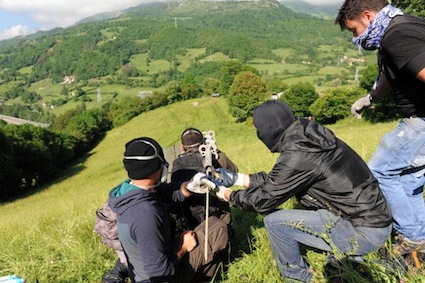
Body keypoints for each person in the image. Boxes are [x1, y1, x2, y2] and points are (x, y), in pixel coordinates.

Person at [189, 100, 393, 282]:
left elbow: (263, 201)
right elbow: (278, 180)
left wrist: (223, 192)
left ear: (268, 129)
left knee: (274, 223)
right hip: (373, 219)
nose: (258, 134)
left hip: (364, 232)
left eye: (258, 129)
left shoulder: (298, 155)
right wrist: (235, 178)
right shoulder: (308, 136)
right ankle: (348, 255)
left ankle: (298, 277)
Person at [335, 0, 425, 253]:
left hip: (421, 119)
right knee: (408, 181)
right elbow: (396, 69)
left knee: (380, 170)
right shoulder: (402, 25)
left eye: (354, 30)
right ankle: (418, 234)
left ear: (367, 16)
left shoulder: (396, 36)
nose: (356, 38)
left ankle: (413, 239)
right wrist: (371, 97)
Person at [108, 137, 229, 283]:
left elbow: (171, 192)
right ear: (156, 167)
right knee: (218, 228)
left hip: (150, 268)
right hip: (162, 278)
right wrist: (183, 247)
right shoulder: (145, 214)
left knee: (211, 225)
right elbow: (160, 272)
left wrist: (191, 185)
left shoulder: (132, 191)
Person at [171, 127, 238, 229]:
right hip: (220, 213)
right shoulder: (216, 157)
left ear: (182, 147)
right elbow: (234, 172)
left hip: (193, 218)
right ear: (203, 142)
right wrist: (216, 152)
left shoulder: (178, 163)